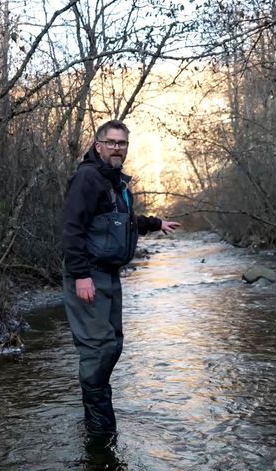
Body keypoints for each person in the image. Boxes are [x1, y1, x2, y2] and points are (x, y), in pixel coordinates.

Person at [62, 120, 180, 437]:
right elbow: (72, 229)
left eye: (122, 143)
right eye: (112, 142)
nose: (117, 148)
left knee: (113, 345)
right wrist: (81, 275)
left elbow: (124, 221)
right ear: (98, 145)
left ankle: (98, 418)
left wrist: (155, 223)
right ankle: (99, 430)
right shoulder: (87, 178)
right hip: (90, 276)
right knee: (98, 348)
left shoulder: (115, 182)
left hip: (110, 277)